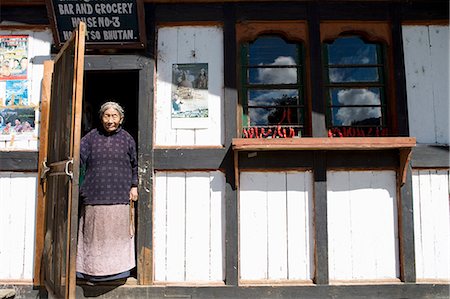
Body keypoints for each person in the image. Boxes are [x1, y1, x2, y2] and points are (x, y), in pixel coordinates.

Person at [76, 101, 138, 284]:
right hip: (95, 194)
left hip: (120, 195)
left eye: (114, 116)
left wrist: (134, 186)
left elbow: (135, 164)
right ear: (101, 117)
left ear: (121, 119)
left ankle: (118, 273)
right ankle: (90, 272)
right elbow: (77, 157)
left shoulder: (127, 138)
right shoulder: (90, 137)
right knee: (94, 235)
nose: (110, 120)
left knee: (116, 235)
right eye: (106, 116)